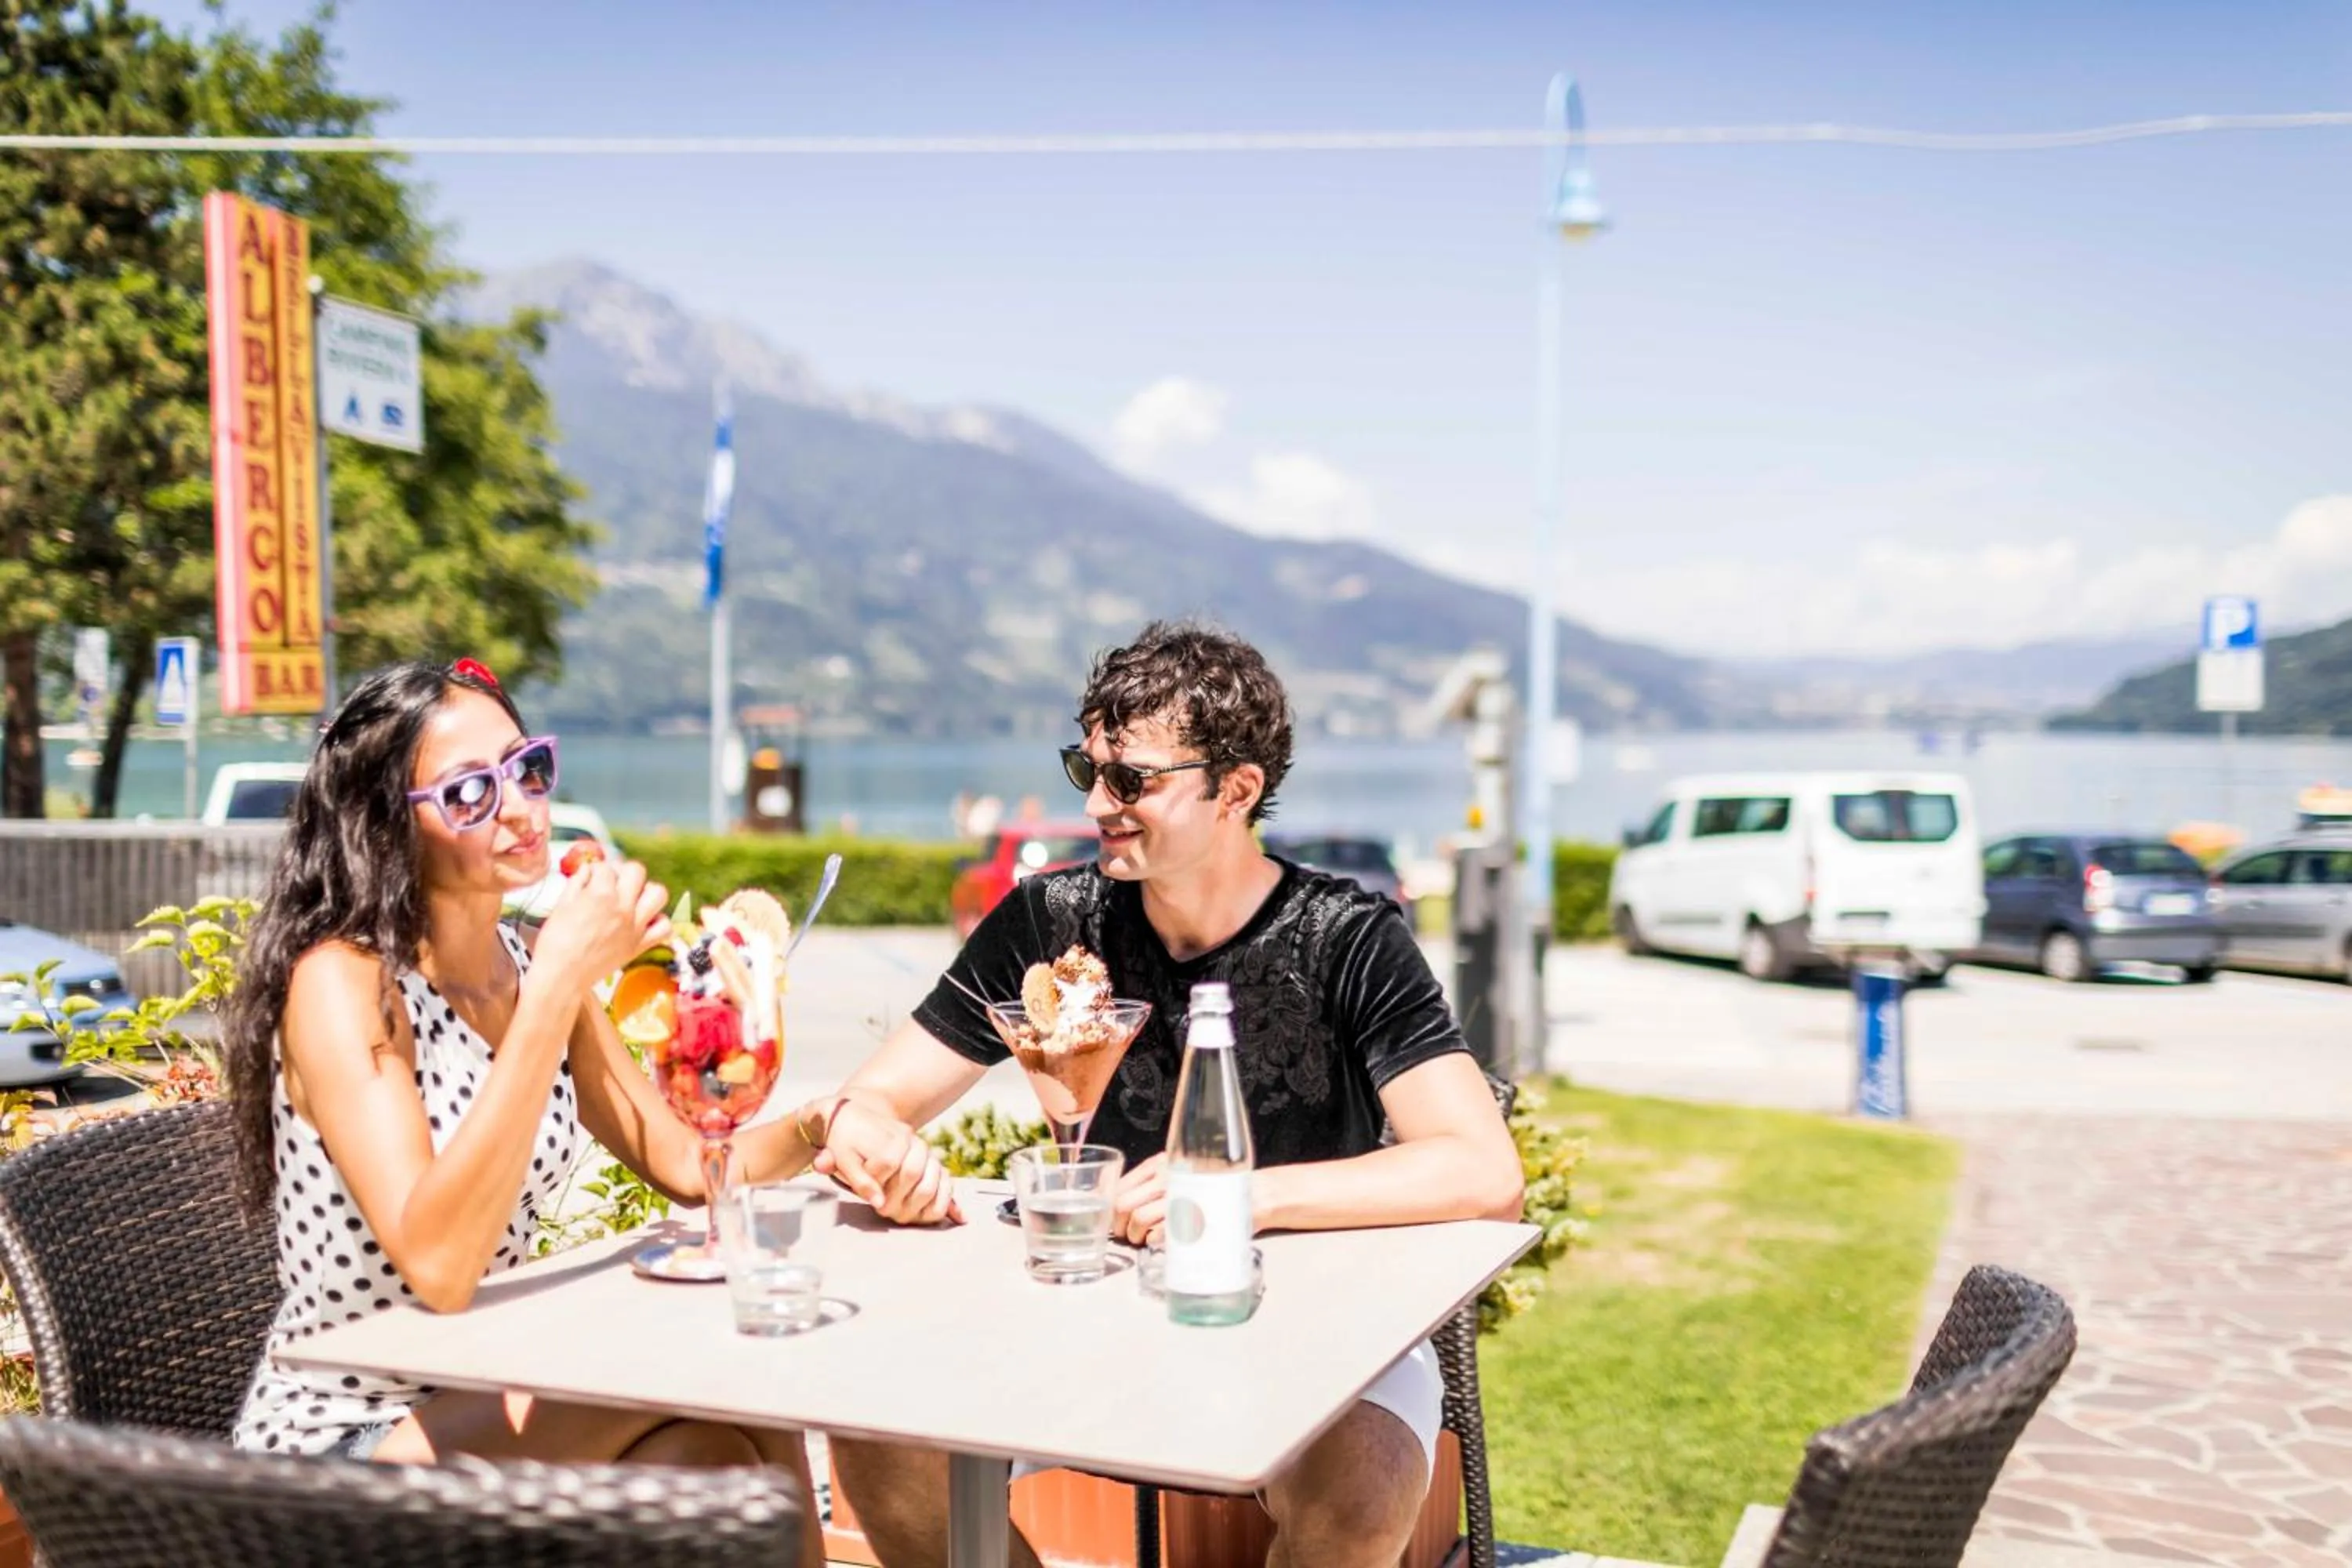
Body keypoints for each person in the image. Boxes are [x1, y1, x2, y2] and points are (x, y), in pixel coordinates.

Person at [812, 621, 1524, 1568]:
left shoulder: (1350, 936)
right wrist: (872, 1137)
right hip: (1090, 1305)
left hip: (1320, 1322)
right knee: (877, 1432)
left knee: (1360, 1489)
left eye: (1132, 779)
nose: (1101, 803)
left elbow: (1483, 1168)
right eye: (1087, 770)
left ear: (1236, 788)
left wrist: (1240, 1195)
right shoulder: (1050, 920)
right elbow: (875, 1097)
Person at [221, 658, 954, 1549]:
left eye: (526, 767)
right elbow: (440, 1263)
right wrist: (565, 975)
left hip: (474, 1397)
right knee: (721, 1383)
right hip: (343, 1445)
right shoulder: (342, 981)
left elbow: (689, 1164)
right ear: (388, 827)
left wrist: (822, 1120)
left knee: (727, 1463)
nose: (522, 808)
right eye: (469, 793)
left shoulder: (523, 962)